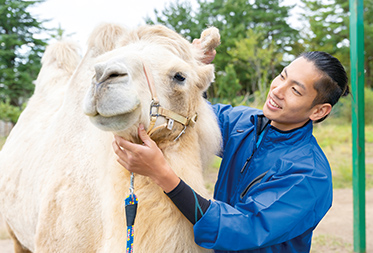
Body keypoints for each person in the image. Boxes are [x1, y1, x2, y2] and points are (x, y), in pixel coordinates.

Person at [112, 46, 349, 252]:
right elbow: (189, 111)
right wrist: (188, 69)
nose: (277, 89)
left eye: (295, 90)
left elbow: (243, 228)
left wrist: (161, 174)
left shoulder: (308, 175)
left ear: (319, 111)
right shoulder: (243, 123)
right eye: (282, 76)